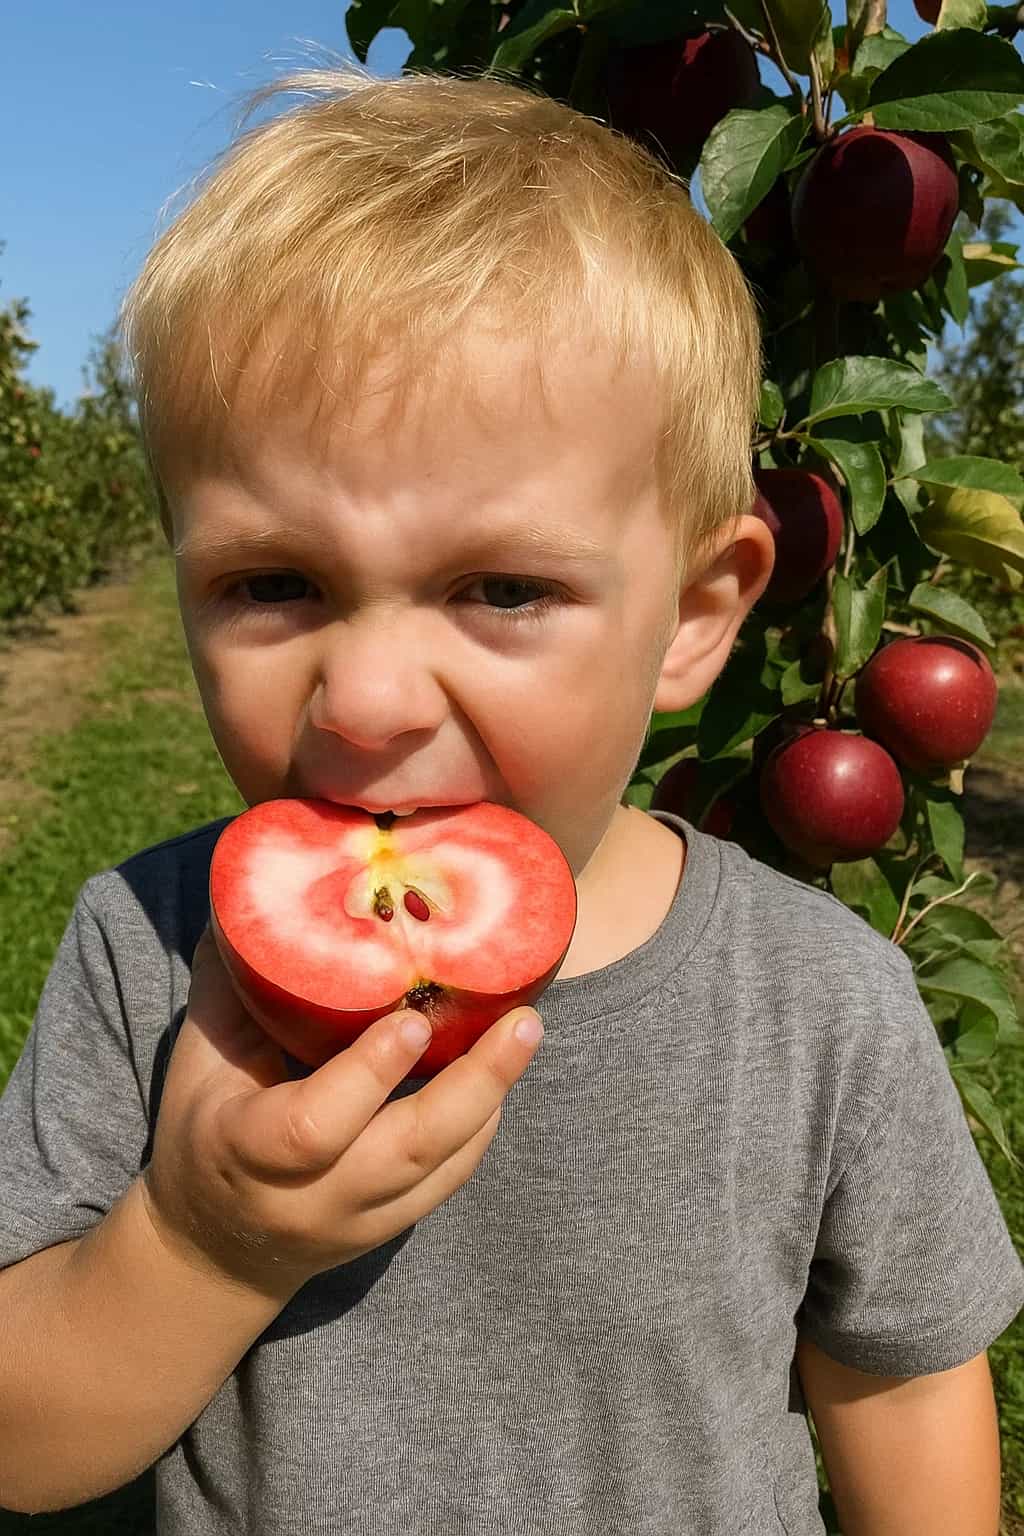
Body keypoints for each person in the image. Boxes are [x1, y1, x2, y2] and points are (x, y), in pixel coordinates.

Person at [0, 61, 1020, 1536]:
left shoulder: (818, 1004)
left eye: (502, 590)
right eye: (272, 583)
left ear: (695, 615)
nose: (367, 701)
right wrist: (201, 1247)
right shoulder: (150, 952)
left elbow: (907, 1399)